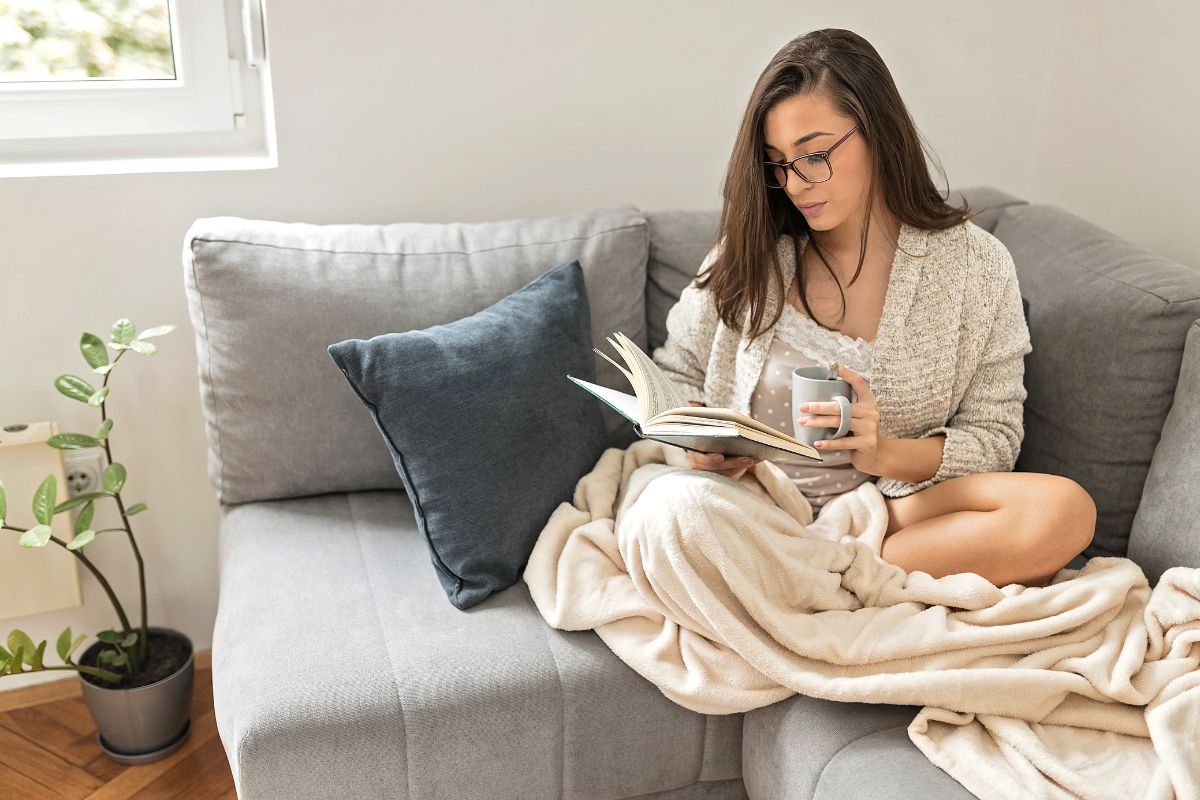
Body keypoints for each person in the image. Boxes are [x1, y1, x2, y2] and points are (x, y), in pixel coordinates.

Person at [650, 28, 1095, 589]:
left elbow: (994, 437)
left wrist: (882, 452)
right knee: (671, 513)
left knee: (1065, 510)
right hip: (750, 507)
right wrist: (698, 450)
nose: (796, 184)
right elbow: (674, 375)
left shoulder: (974, 267)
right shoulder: (751, 253)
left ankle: (808, 579)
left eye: (814, 154)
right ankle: (827, 581)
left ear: (878, 132)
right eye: (778, 163)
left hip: (885, 518)